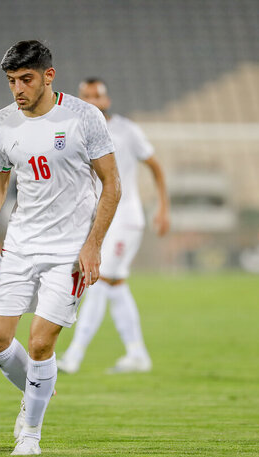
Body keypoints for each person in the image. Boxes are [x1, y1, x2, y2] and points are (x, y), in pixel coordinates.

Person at [0, 40, 121, 455]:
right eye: (11, 82)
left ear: (49, 76)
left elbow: (112, 185)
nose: (18, 90)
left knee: (41, 343)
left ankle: (30, 431)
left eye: (26, 80)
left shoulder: (84, 117)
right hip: (21, 245)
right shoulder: (3, 122)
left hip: (70, 252)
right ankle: (37, 386)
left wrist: (93, 245)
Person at [57, 78, 169, 375]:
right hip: (102, 218)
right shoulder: (74, 131)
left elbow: (155, 166)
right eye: (86, 96)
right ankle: (137, 354)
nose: (92, 100)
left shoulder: (126, 130)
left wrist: (162, 207)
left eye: (97, 95)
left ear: (106, 100)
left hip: (126, 218)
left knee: (100, 281)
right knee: (115, 285)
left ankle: (74, 356)